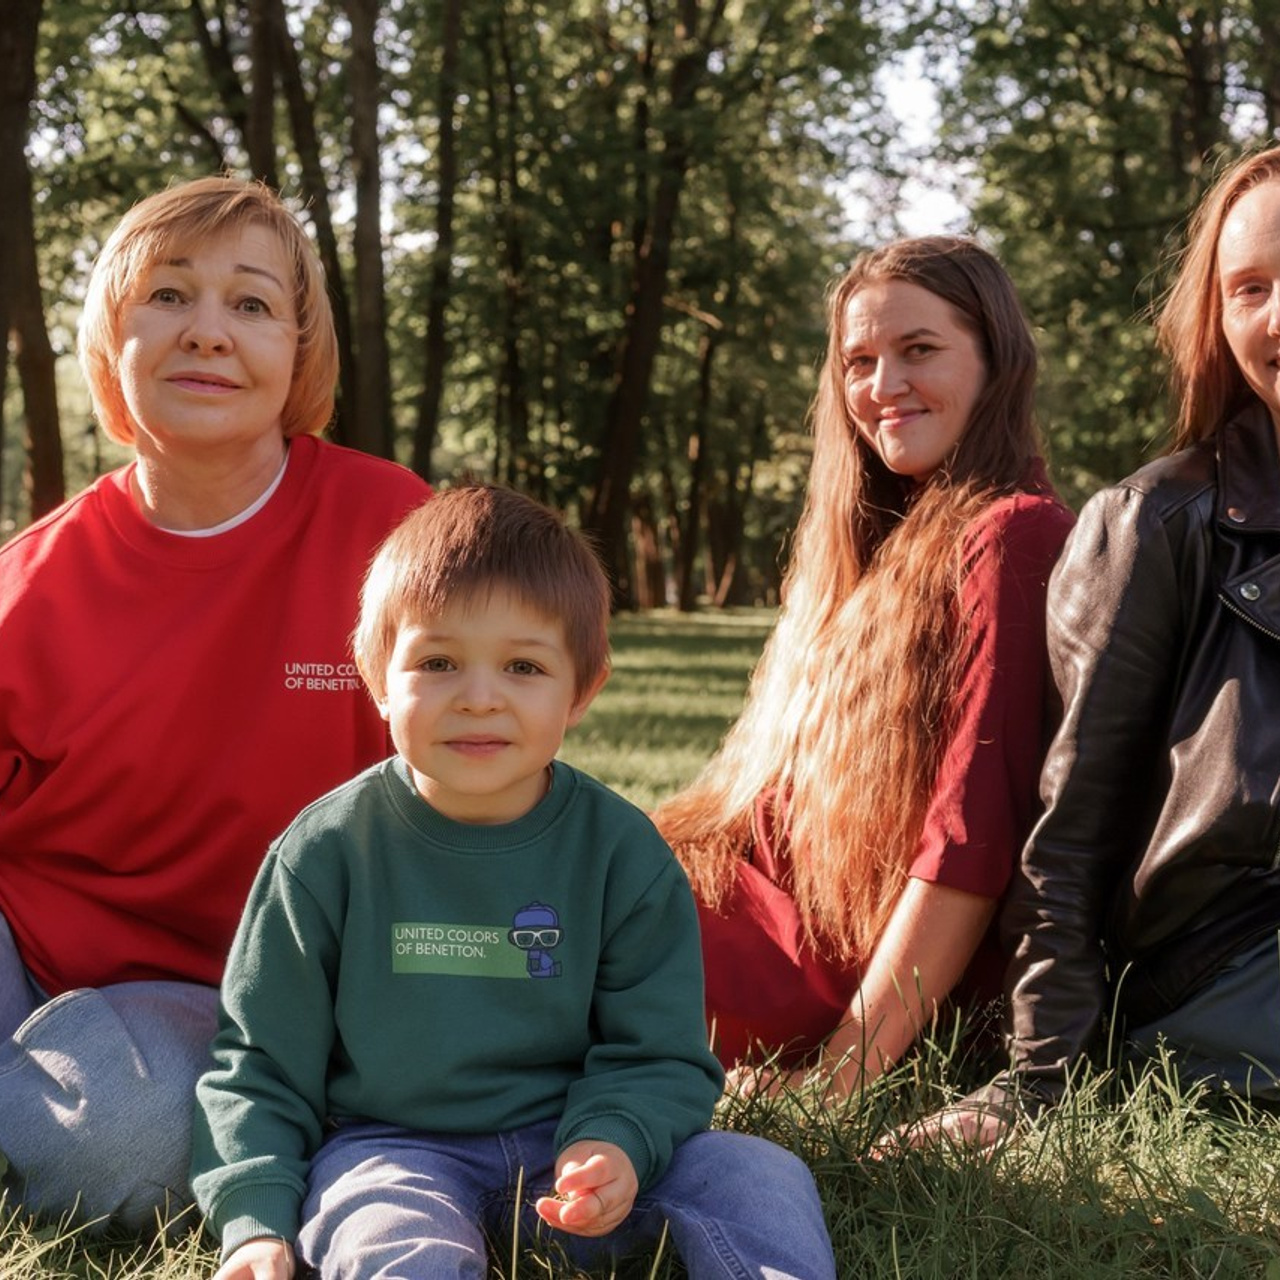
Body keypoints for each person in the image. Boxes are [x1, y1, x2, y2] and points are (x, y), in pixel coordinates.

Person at [189, 484, 837, 1280]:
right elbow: (258, 1063)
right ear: (376, 676)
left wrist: (616, 1140)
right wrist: (255, 1220)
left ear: (583, 690)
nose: (480, 696)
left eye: (524, 665)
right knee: (375, 1228)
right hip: (393, 1149)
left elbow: (660, 1053)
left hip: (575, 1149)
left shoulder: (621, 853)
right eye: (438, 662)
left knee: (758, 1174)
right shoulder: (325, 853)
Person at [0, 176, 431, 1229]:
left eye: (249, 304)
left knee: (126, 1144)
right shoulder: (26, 586)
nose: (207, 333)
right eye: (168, 296)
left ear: (298, 347)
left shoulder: (395, 528)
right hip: (41, 959)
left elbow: (491, 775)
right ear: (111, 339)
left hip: (251, 996)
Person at [903, 145, 1280, 1149]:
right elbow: (1067, 828)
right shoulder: (1155, 520)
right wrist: (1035, 1081)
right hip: (1231, 977)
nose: (1277, 314)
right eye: (1250, 287)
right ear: (1215, 314)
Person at [652, 236, 1076, 1100]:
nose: (883, 388)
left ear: (996, 360)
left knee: (530, 949)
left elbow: (971, 846)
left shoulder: (1013, 536)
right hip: (757, 908)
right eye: (859, 361)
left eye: (919, 350)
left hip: (823, 959)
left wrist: (843, 1073)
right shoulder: (875, 545)